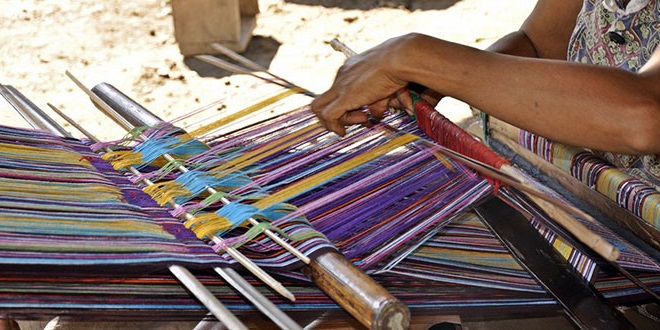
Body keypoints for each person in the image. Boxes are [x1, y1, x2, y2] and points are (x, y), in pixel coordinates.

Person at [311, 0, 660, 186]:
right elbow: (539, 44)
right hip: (600, 207)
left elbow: (646, 116)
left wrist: (413, 56)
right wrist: (437, 80)